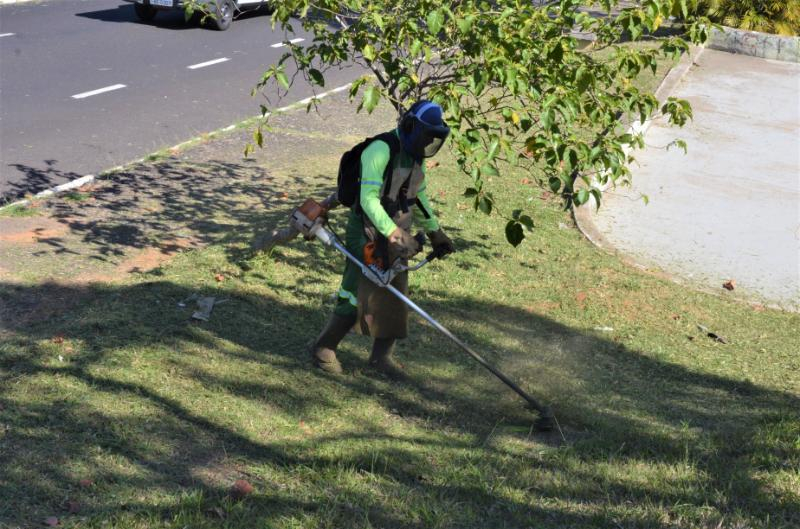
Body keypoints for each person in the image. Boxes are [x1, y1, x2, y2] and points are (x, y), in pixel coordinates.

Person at [311, 100, 456, 377]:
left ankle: (380, 359)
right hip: (365, 229)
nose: (428, 142)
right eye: (426, 135)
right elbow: (367, 200)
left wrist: (436, 232)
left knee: (395, 292)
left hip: (396, 228)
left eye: (433, 138)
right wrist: (393, 235)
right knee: (357, 291)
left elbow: (419, 196)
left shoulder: (415, 156)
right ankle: (323, 349)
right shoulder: (380, 150)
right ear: (411, 126)